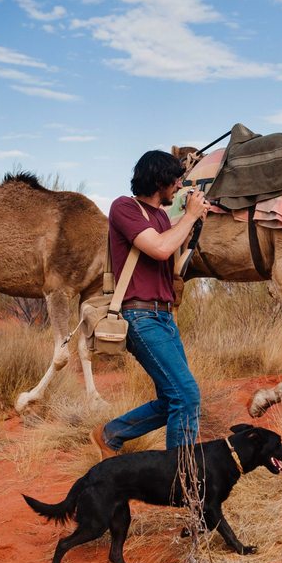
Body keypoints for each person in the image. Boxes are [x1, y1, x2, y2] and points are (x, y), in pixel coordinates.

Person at [91, 150, 210, 456]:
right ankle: (181, 478)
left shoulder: (159, 215)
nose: (179, 185)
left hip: (165, 317)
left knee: (173, 398)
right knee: (186, 395)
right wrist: (189, 216)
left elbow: (174, 254)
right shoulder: (124, 208)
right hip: (139, 316)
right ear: (160, 180)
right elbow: (159, 248)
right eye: (176, 180)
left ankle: (111, 434)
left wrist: (193, 224)